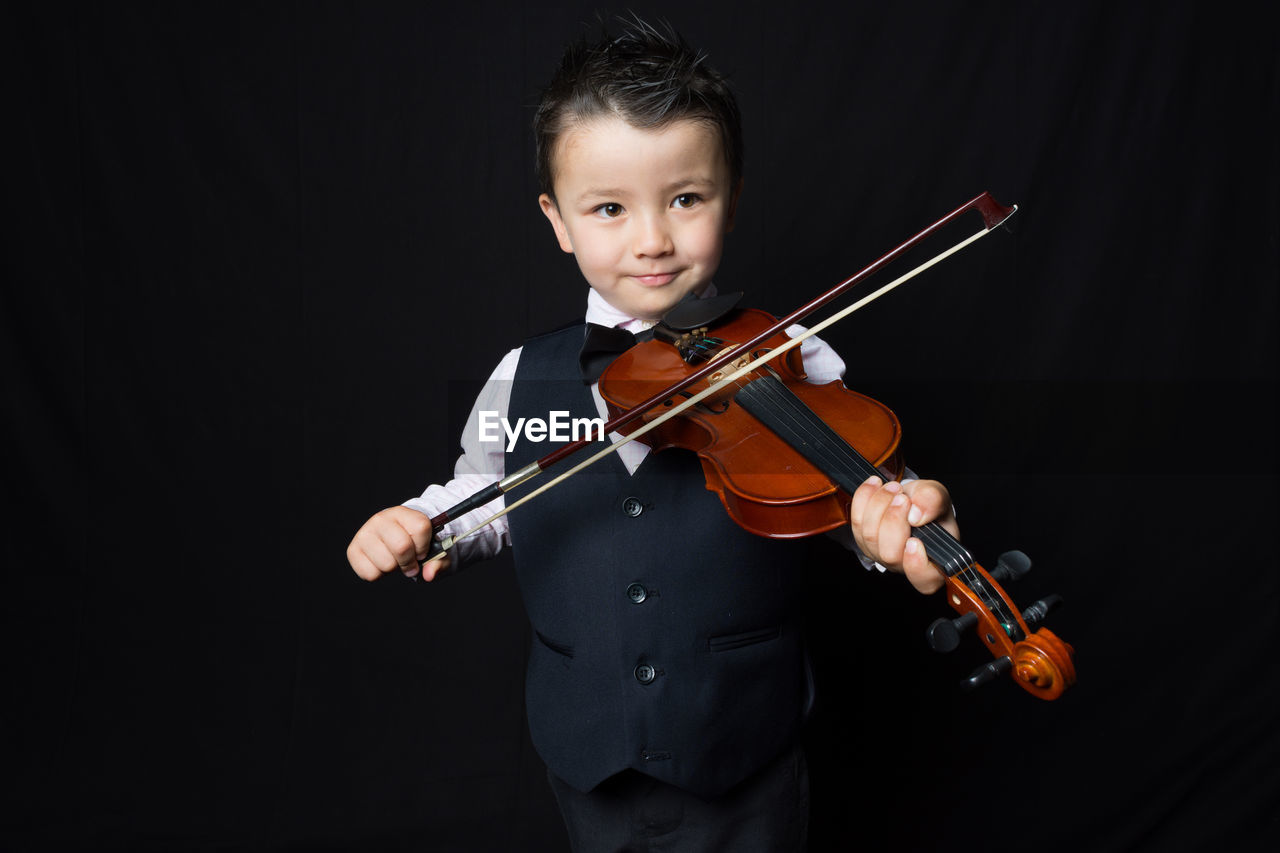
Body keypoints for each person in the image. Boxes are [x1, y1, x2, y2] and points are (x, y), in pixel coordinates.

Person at [347, 17, 957, 852]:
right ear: (558, 220)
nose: (653, 240)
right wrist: (425, 520)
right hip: (586, 747)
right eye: (608, 207)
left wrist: (907, 535)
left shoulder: (790, 355)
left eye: (686, 198)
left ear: (731, 198)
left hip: (742, 744)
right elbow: (486, 495)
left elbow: (850, 496)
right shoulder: (521, 374)